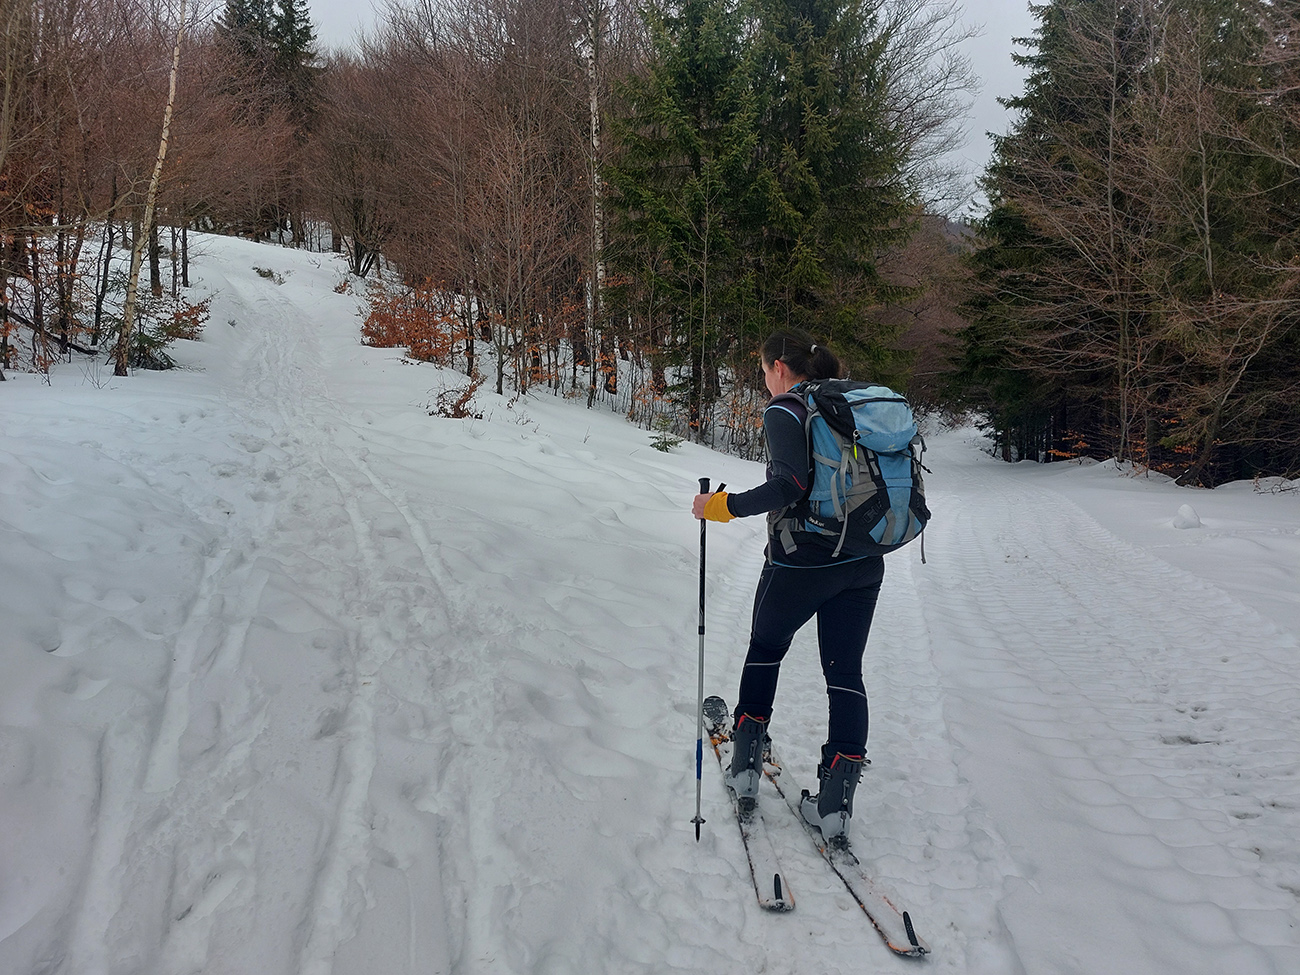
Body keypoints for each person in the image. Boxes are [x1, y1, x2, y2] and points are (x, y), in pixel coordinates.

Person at [691, 328, 883, 844]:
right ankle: (835, 807)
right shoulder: (850, 403)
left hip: (802, 561)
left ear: (779, 366)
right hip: (864, 560)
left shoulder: (787, 408)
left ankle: (745, 770)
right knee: (846, 673)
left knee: (765, 650)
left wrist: (720, 507)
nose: (764, 381)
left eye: (763, 371)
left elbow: (789, 485)